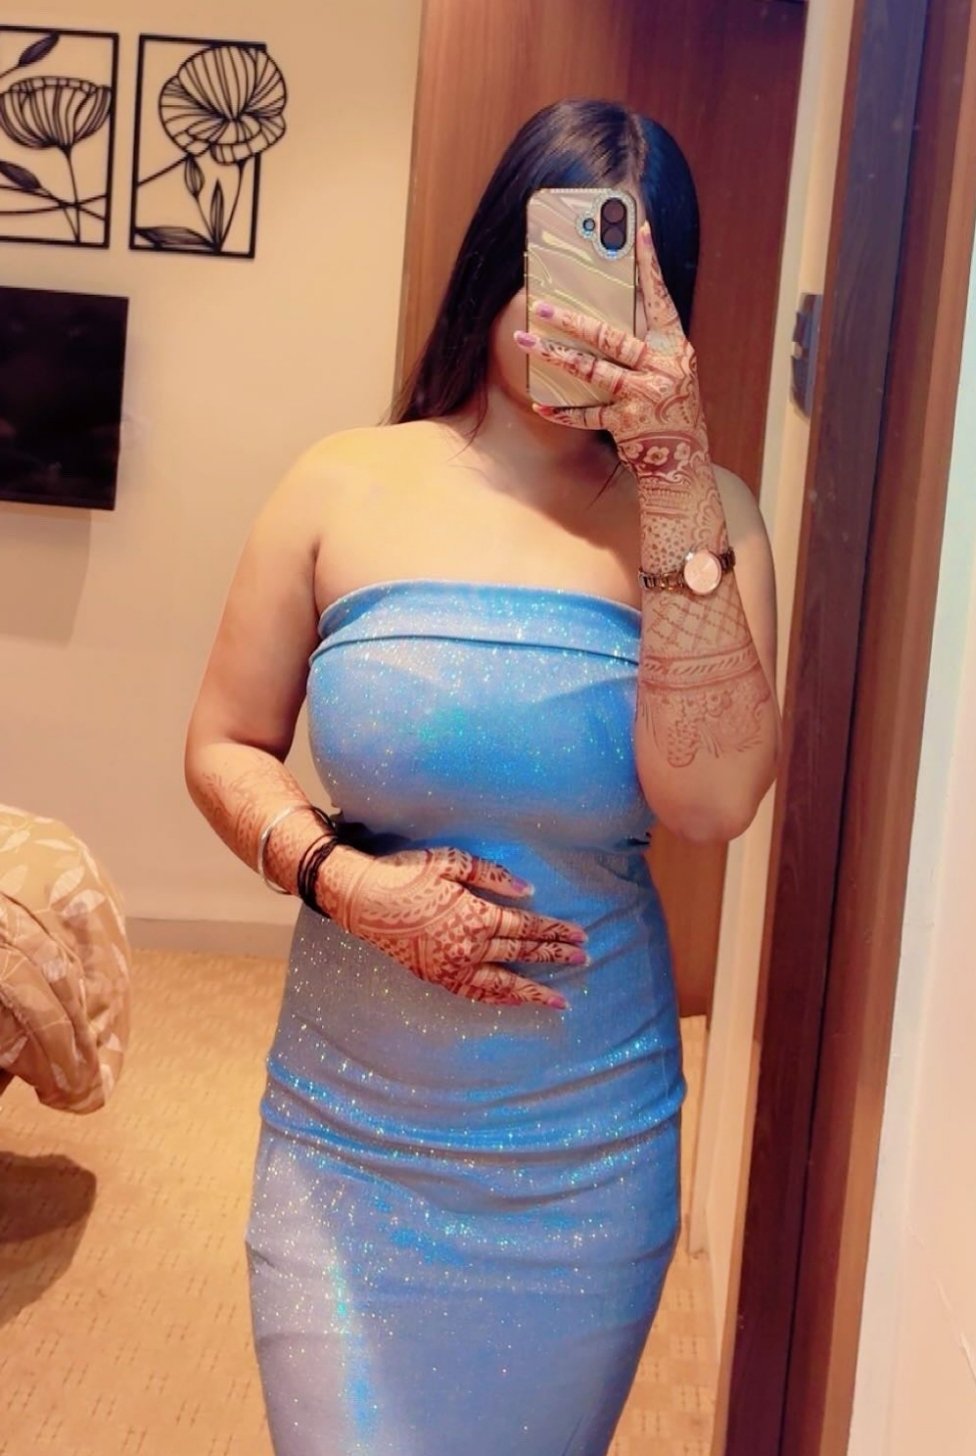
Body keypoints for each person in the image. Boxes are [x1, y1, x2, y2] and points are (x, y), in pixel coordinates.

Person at [184, 99, 781, 1456]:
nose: (566, 321)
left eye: (618, 284)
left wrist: (673, 471)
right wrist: (342, 881)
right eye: (548, 267)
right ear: (495, 262)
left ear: (669, 310)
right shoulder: (341, 483)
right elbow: (221, 743)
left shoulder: (710, 520)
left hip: (584, 1158)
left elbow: (710, 802)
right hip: (346, 1138)